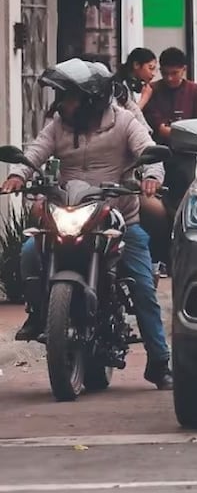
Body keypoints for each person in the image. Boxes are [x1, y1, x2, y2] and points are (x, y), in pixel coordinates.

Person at [0, 58, 173, 389]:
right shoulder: (59, 125)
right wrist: (17, 174)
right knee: (27, 252)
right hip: (68, 209)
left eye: (69, 97)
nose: (63, 103)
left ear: (91, 98)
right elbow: (35, 153)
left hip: (117, 215)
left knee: (141, 284)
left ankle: (159, 361)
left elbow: (148, 150)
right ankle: (39, 313)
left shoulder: (123, 122)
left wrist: (151, 175)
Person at [144, 48, 197, 272]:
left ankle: (178, 260)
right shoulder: (153, 90)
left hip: (185, 157)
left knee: (181, 208)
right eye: (165, 73)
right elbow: (158, 129)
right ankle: (159, 258)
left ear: (184, 70)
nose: (170, 78)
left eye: (174, 73)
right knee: (157, 209)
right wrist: (177, 129)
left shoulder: (195, 91)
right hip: (158, 157)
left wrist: (173, 129)